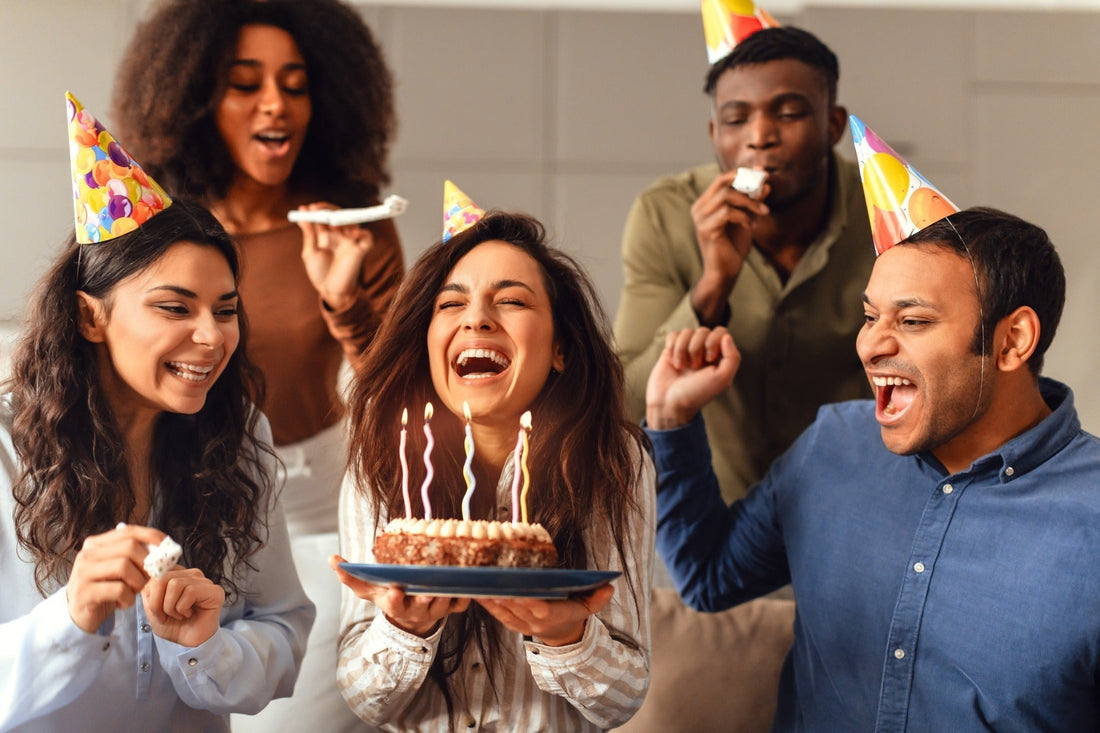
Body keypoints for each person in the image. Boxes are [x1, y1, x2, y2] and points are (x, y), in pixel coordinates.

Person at [644, 207, 1100, 730]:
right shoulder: (832, 446)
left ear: (1012, 340)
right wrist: (670, 417)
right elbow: (709, 577)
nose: (871, 345)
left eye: (912, 321)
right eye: (869, 317)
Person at [112, 2, 404, 729]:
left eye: (295, 83)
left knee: (290, 713)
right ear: (195, 97)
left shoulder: (353, 225)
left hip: (322, 506)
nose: (276, 103)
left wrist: (349, 310)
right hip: (189, 495)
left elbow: (401, 391)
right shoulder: (156, 229)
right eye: (245, 83)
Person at [0, 131, 315, 726]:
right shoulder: (4, 445)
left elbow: (283, 627)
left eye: (225, 310)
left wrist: (206, 649)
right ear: (89, 317)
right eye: (175, 307)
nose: (212, 336)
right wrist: (72, 616)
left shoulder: (239, 434)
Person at [330, 204, 655, 731]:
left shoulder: (613, 459)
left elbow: (622, 700)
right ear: (427, 339)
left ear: (561, 349)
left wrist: (567, 636)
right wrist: (402, 628)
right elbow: (364, 699)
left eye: (510, 301)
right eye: (450, 303)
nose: (477, 318)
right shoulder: (381, 457)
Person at [613, 25, 874, 505]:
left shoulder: (885, 214)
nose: (760, 138)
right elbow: (626, 405)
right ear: (715, 135)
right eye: (736, 121)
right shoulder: (663, 215)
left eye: (790, 113)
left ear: (833, 126)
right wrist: (713, 286)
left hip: (855, 507)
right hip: (716, 525)